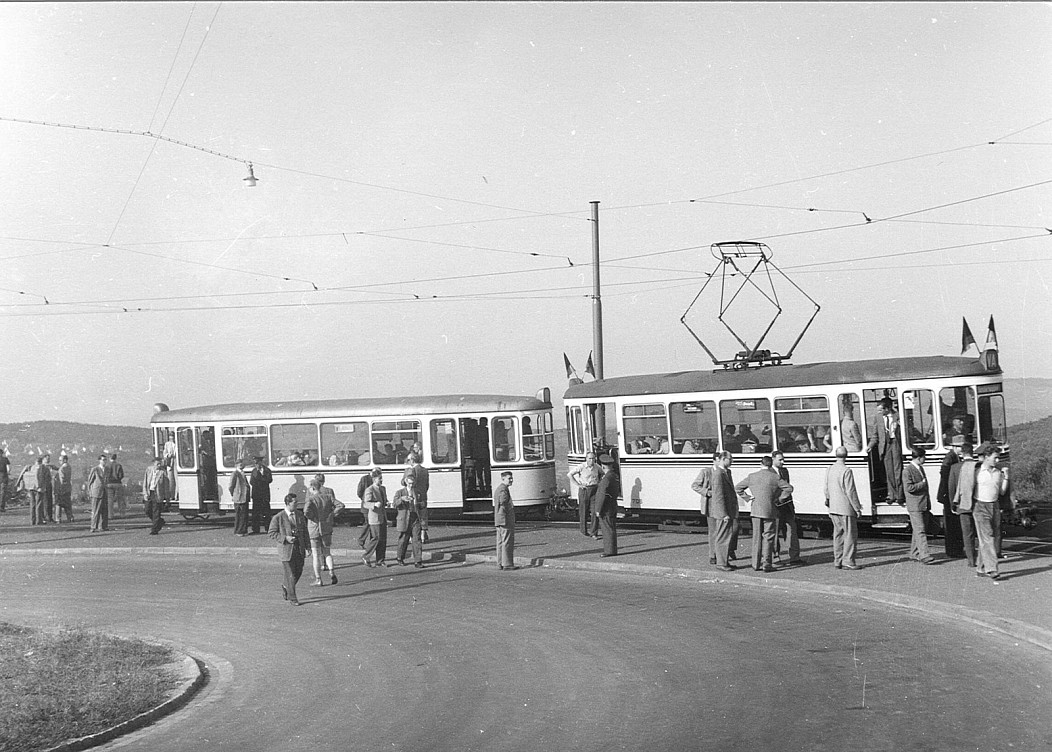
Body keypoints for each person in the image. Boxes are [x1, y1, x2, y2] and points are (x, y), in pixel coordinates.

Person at [735, 455, 792, 573]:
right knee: (768, 537)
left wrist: (748, 497)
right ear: (770, 464)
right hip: (770, 510)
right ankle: (767, 563)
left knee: (756, 537)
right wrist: (779, 499)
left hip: (756, 510)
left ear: (761, 464)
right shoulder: (775, 477)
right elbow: (789, 488)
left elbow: (738, 488)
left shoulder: (752, 476)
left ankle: (755, 564)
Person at [971, 443, 1008, 580]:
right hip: (980, 507)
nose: (997, 460)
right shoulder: (977, 473)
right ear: (986, 457)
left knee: (987, 539)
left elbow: (1002, 491)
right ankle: (992, 568)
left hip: (995, 506)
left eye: (998, 458)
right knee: (988, 538)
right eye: (994, 458)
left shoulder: (998, 473)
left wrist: (1006, 477)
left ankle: (980, 568)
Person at [695, 452, 737, 571]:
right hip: (718, 509)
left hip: (725, 509)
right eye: (730, 459)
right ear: (722, 459)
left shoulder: (726, 472)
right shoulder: (717, 473)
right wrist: (723, 514)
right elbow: (718, 496)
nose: (732, 461)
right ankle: (720, 562)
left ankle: (724, 561)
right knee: (720, 535)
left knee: (725, 535)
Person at [268, 493, 310, 606]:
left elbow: (305, 532)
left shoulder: (299, 515)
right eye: (294, 502)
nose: (297, 504)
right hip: (286, 550)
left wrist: (308, 547)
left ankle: (286, 587)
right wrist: (285, 538)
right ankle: (293, 598)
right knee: (290, 573)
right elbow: (271, 533)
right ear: (288, 503)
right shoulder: (278, 517)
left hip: (298, 548)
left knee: (298, 571)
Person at [824, 447, 863, 569]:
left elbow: (826, 488)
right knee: (850, 535)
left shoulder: (829, 469)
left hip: (833, 507)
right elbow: (850, 491)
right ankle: (848, 561)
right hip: (845, 508)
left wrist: (828, 501)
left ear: (836, 455)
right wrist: (857, 507)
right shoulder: (846, 471)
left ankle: (838, 560)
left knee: (838, 535)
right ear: (846, 456)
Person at [304, 474, 344, 585]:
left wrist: (313, 518)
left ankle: (318, 579)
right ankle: (331, 572)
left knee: (316, 555)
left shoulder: (311, 499)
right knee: (327, 552)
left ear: (313, 488)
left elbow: (306, 512)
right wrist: (331, 515)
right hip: (326, 528)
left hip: (314, 529)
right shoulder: (328, 496)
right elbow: (341, 505)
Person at [868, 398, 904, 505]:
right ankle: (892, 495)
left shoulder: (898, 415)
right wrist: (870, 446)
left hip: (895, 443)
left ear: (887, 408)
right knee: (889, 471)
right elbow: (875, 434)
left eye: (881, 410)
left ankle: (900, 495)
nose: (879, 412)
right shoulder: (878, 418)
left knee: (898, 470)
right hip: (885, 445)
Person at [902, 447, 935, 564]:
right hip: (915, 505)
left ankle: (914, 553)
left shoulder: (920, 468)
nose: (925, 459)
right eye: (924, 457)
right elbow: (909, 488)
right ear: (919, 458)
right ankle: (924, 555)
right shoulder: (907, 471)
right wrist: (922, 484)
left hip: (922, 504)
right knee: (920, 530)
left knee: (918, 530)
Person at [949, 442, 979, 568]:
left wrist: (953, 505)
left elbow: (951, 487)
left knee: (967, 534)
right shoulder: (978, 466)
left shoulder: (955, 467)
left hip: (962, 505)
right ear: (972, 452)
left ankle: (971, 560)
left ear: (962, 453)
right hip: (978, 503)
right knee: (981, 533)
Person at [771, 451, 804, 564]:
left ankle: (795, 557)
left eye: (783, 459)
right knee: (775, 532)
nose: (783, 462)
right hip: (776, 506)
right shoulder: (769, 472)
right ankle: (775, 556)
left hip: (787, 506)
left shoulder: (784, 471)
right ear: (773, 459)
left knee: (792, 531)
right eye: (780, 460)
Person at [937, 439, 965, 558]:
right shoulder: (950, 458)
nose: (962, 449)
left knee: (953, 523)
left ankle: (955, 550)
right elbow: (944, 474)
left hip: (948, 494)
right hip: (948, 495)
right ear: (955, 447)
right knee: (951, 524)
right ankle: (953, 551)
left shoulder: (954, 456)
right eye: (960, 447)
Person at [391, 474, 426, 568]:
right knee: (403, 539)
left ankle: (418, 561)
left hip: (415, 517)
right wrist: (402, 499)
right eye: (409, 483)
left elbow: (423, 504)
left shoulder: (417, 492)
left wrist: (419, 504)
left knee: (417, 540)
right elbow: (394, 504)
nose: (411, 485)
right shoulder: (400, 492)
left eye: (412, 483)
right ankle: (400, 558)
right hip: (404, 518)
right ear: (406, 482)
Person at [568, 451, 604, 537]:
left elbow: (603, 474)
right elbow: (569, 474)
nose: (591, 460)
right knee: (583, 511)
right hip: (584, 490)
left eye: (593, 458)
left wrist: (599, 482)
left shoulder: (597, 467)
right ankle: (583, 531)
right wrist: (578, 484)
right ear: (586, 459)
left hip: (594, 490)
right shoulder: (581, 467)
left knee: (595, 511)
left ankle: (594, 532)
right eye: (590, 458)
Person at [361, 469, 389, 568]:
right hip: (374, 518)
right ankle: (366, 556)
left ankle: (380, 560)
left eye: (381, 478)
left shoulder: (383, 489)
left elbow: (384, 500)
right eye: (379, 478)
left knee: (383, 539)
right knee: (376, 538)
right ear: (374, 479)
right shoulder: (369, 490)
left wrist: (387, 503)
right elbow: (366, 504)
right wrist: (374, 504)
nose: (381, 480)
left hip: (383, 517)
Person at [594, 456, 620, 557]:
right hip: (612, 504)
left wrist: (598, 509)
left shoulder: (606, 479)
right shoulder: (614, 476)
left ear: (603, 466)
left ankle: (609, 551)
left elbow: (602, 494)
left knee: (607, 529)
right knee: (611, 528)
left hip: (606, 507)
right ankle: (612, 549)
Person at [403, 453, 431, 542]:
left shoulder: (410, 470)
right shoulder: (425, 470)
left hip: (413, 495)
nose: (408, 462)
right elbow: (427, 485)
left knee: (413, 516)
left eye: (408, 460)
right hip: (423, 495)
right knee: (423, 515)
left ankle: (412, 537)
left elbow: (404, 482)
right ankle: (423, 535)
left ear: (412, 460)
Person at [494, 471, 517, 570]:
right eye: (509, 478)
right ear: (503, 479)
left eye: (511, 478)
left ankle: (500, 563)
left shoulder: (500, 489)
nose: (511, 480)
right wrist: (506, 517)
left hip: (499, 520)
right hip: (505, 520)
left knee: (500, 543)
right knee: (507, 542)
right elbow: (503, 503)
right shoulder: (503, 490)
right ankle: (507, 564)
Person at [16, 457, 46, 525]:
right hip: (38, 488)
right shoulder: (40, 468)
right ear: (41, 462)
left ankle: (32, 521)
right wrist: (39, 486)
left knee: (32, 504)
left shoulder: (31, 467)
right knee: (39, 504)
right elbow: (37, 477)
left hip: (30, 487)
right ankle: (39, 521)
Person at [142, 456, 166, 535]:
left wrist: (167, 497)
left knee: (156, 511)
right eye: (157, 464)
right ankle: (159, 521)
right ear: (154, 463)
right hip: (149, 492)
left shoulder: (162, 472)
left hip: (158, 494)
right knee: (147, 510)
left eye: (160, 464)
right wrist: (145, 493)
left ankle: (154, 529)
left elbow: (166, 485)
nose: (159, 465)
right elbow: (145, 482)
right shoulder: (149, 470)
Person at [249, 456, 273, 534]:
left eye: (258, 463)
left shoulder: (267, 470)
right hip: (256, 494)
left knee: (266, 512)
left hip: (265, 494)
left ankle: (268, 528)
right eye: (255, 464)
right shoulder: (254, 471)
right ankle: (255, 529)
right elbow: (252, 482)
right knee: (255, 513)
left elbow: (270, 480)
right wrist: (261, 479)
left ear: (261, 462)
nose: (257, 465)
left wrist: (262, 477)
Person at [86, 455, 109, 532]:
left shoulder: (107, 469)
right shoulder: (95, 469)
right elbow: (90, 481)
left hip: (104, 491)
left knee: (104, 510)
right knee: (95, 511)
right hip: (96, 492)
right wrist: (90, 492)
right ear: (99, 460)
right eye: (103, 460)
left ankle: (103, 526)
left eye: (105, 460)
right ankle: (93, 527)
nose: (104, 461)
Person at [229, 458, 250, 537]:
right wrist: (235, 494)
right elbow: (231, 486)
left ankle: (244, 530)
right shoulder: (235, 474)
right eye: (239, 463)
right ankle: (239, 531)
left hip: (244, 497)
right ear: (236, 465)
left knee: (244, 515)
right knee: (239, 515)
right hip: (239, 498)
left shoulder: (242, 473)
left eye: (242, 463)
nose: (241, 465)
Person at [104, 453, 125, 519]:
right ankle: (122, 514)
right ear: (116, 458)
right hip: (118, 483)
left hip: (109, 484)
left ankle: (110, 515)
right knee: (120, 499)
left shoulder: (107, 466)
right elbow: (121, 475)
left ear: (109, 458)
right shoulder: (119, 465)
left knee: (110, 500)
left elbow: (105, 475)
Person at [55, 454, 74, 523]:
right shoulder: (69, 466)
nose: (59, 461)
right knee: (68, 504)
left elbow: (62, 480)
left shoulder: (62, 469)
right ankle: (70, 517)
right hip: (68, 488)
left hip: (61, 489)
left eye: (60, 460)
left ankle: (58, 519)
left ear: (65, 460)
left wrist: (60, 489)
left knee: (58, 504)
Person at [41, 453, 56, 523]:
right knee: (45, 502)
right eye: (47, 459)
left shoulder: (50, 466)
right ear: (43, 459)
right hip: (44, 486)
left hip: (49, 485)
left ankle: (49, 517)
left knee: (49, 501)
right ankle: (45, 517)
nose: (48, 460)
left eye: (49, 459)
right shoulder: (42, 467)